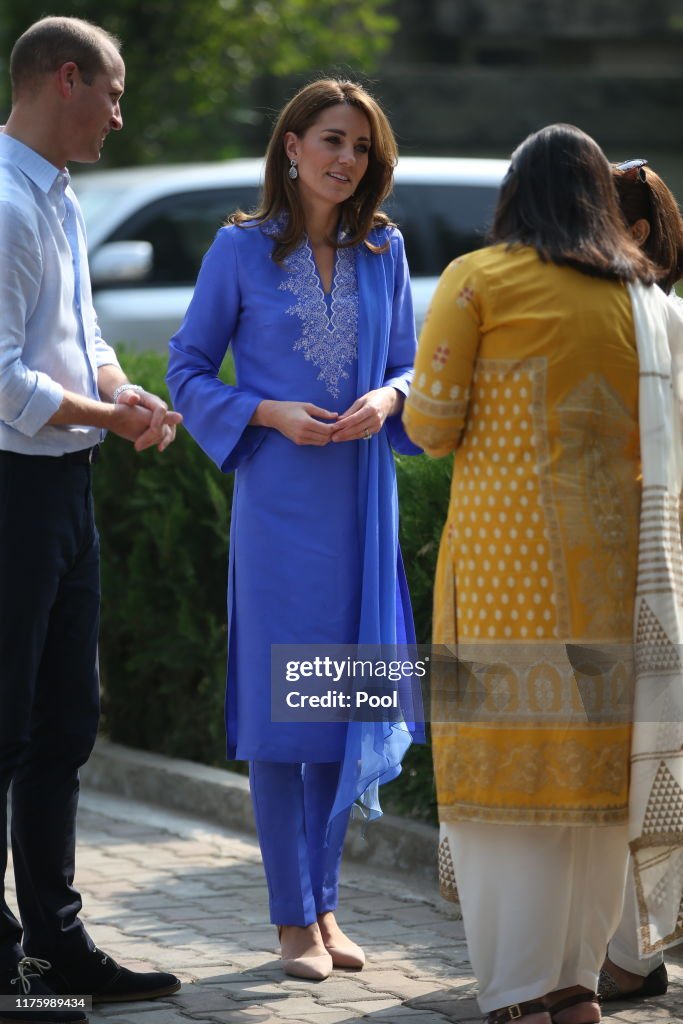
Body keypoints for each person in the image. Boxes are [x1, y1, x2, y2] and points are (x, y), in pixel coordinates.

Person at [403, 123, 683, 1024]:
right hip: (618, 579)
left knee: (507, 779)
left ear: (512, 197)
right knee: (593, 779)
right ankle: (572, 981)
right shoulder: (646, 302)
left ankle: (524, 991)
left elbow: (432, 425)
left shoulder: (478, 280)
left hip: (504, 575)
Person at [167, 78, 423, 982]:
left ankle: (325, 907)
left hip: (360, 497)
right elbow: (187, 367)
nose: (346, 158)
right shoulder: (238, 250)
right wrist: (266, 412)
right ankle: (289, 923)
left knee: (341, 703)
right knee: (283, 710)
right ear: (290, 147)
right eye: (331, 139)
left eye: (360, 146)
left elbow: (409, 364)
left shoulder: (382, 249)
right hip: (279, 507)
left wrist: (390, 395)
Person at [0, 17, 182, 1023]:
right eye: (110, 93)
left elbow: (82, 335)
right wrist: (107, 415)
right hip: (11, 487)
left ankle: (55, 943)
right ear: (65, 79)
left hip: (64, 490)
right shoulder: (4, 201)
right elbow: (1, 379)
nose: (119, 113)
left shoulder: (56, 195)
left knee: (66, 722)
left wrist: (123, 395)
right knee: (7, 723)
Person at [597, 158, 683, 1004]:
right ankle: (627, 952)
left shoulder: (651, 320)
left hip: (650, 574)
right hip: (641, 573)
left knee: (639, 758)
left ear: (638, 233)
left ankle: (631, 954)